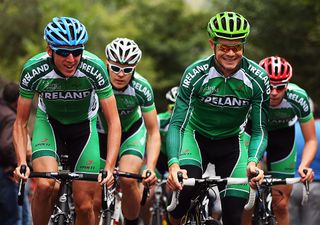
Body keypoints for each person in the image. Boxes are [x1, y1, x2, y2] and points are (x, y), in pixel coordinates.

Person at [13, 17, 121, 225]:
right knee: (44, 186)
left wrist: (109, 165)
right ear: (49, 51)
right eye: (63, 52)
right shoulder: (33, 70)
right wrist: (21, 162)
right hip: (50, 125)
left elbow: (114, 121)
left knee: (85, 205)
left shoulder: (95, 68)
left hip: (84, 130)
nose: (71, 59)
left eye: (77, 51)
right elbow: (20, 122)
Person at [165, 11, 268, 225]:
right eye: (224, 47)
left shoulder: (257, 79)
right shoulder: (196, 74)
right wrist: (174, 164)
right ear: (212, 44)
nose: (231, 53)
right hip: (195, 138)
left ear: (243, 46)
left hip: (232, 143)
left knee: (233, 214)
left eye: (237, 47)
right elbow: (177, 123)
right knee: (184, 196)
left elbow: (259, 129)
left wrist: (252, 162)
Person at [243, 56, 317, 225]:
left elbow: (311, 139)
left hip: (283, 138)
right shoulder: (248, 93)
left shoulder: (298, 97)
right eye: (269, 86)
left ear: (288, 84)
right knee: (248, 200)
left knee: (281, 205)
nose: (275, 92)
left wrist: (304, 165)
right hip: (254, 134)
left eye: (281, 86)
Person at [94, 38, 160, 225]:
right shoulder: (97, 82)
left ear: (135, 68)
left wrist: (150, 168)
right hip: (100, 133)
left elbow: (153, 131)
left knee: (128, 178)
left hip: (130, 132)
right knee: (95, 198)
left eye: (127, 69)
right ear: (107, 64)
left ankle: (132, 222)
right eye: (115, 68)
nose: (121, 74)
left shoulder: (141, 88)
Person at [0, 82, 32, 225]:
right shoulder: (11, 117)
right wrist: (16, 165)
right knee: (16, 218)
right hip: (7, 174)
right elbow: (7, 146)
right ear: (17, 99)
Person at [289, 100, 320, 225]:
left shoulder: (285, 128)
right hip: (315, 184)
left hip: (289, 184)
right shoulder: (318, 127)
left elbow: (266, 157)